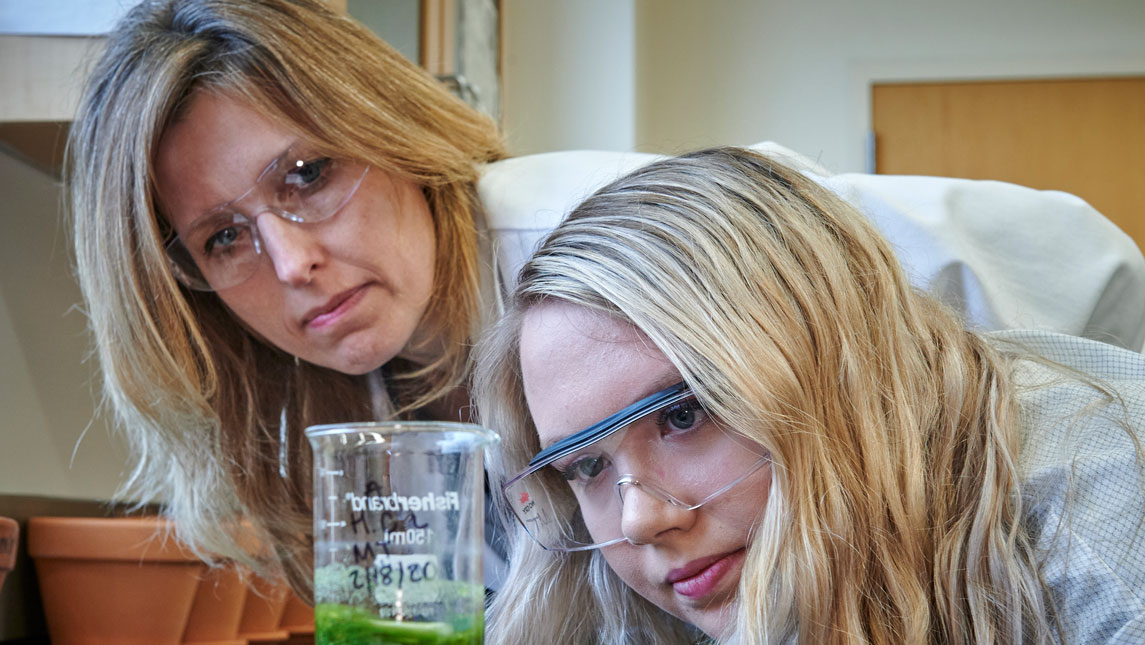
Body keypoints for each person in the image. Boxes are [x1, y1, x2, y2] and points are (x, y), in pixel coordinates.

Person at [68, 0, 1145, 604]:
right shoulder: (356, 414)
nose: (292, 261)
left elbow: (1061, 264)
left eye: (306, 176)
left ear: (390, 130)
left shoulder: (606, 240)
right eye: (224, 236)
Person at [473, 147, 1145, 644]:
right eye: (586, 465)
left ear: (829, 363)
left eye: (682, 414)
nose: (639, 520)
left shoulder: (1099, 517)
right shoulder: (645, 592)